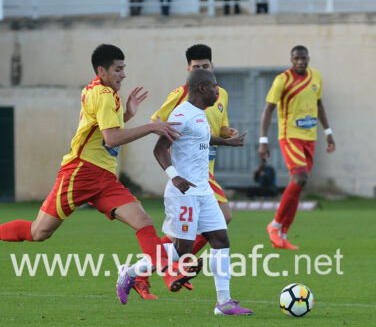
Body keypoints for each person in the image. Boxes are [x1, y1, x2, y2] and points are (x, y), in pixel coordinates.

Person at [0, 43, 192, 305]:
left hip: (103, 179)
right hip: (80, 174)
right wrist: (150, 127)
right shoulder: (102, 94)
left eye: (124, 68)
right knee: (39, 232)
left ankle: (169, 273)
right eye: (118, 69)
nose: (123, 74)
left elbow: (104, 132)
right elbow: (111, 139)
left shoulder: (102, 91)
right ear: (102, 70)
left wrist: (127, 114)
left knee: (144, 221)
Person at [121, 69, 252, 315]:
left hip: (203, 191)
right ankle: (130, 272)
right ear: (201, 88)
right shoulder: (181, 114)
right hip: (184, 192)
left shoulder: (201, 114)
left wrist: (227, 142)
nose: (217, 90)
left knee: (221, 240)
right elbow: (159, 149)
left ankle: (223, 303)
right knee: (182, 250)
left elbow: (201, 139)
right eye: (214, 86)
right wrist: (174, 175)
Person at [133, 44, 239, 299]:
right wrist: (174, 168)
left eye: (205, 66)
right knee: (206, 230)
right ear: (191, 73)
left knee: (218, 232)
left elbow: (214, 129)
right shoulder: (181, 100)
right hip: (189, 178)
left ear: (211, 68)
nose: (202, 71)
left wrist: (228, 137)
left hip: (205, 172)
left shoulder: (219, 95)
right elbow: (156, 123)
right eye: (197, 68)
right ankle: (148, 269)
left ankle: (220, 299)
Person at [258, 45, 335, 250]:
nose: (300, 61)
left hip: (310, 138)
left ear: (308, 58)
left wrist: (328, 132)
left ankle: (283, 233)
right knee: (300, 178)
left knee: (300, 185)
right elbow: (268, 110)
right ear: (291, 60)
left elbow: (319, 105)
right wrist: (263, 140)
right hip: (290, 136)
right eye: (296, 58)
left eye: (303, 58)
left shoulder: (316, 77)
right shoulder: (282, 80)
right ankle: (274, 225)